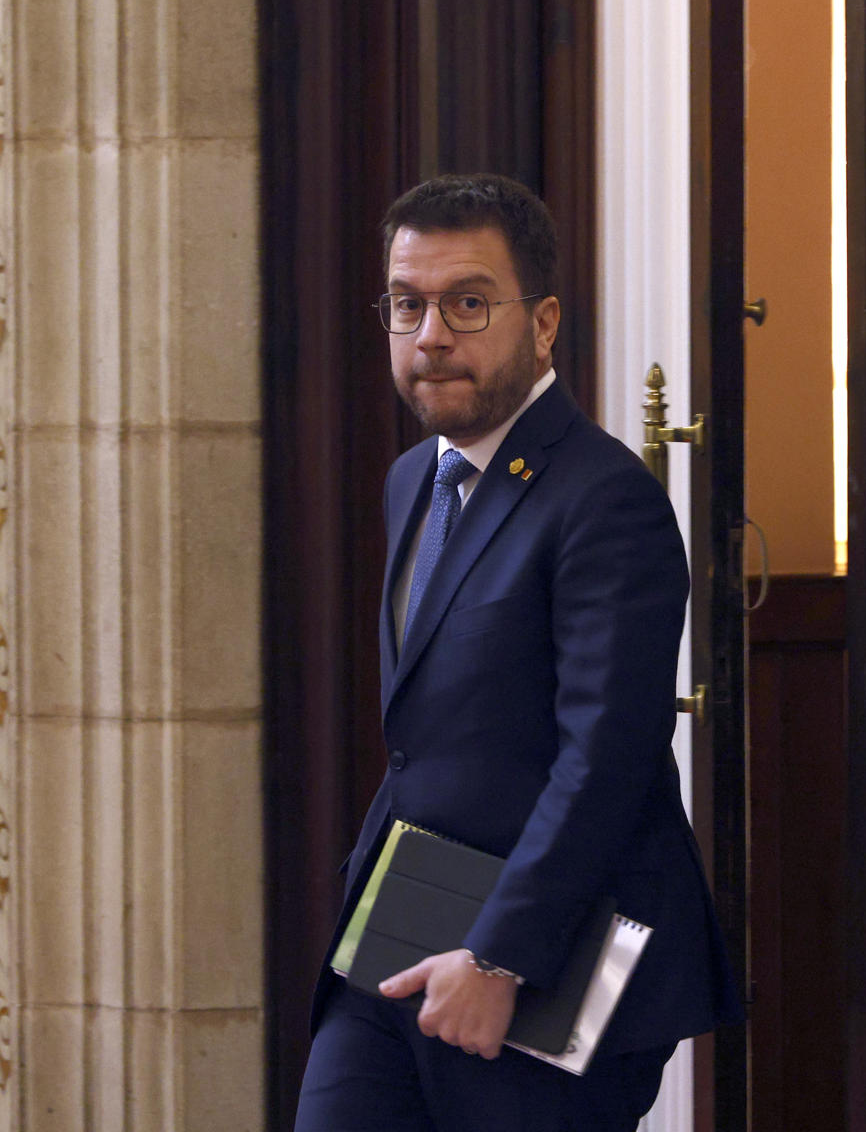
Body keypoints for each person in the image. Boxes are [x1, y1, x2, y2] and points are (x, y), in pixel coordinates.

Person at [294, 174, 743, 1131]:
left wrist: (500, 956)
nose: (431, 335)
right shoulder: (414, 478)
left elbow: (607, 756)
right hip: (400, 940)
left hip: (546, 963)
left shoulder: (605, 498)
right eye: (406, 305)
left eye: (466, 303)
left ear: (541, 325)